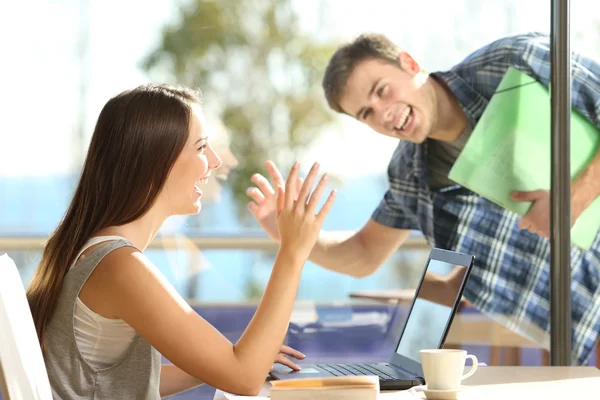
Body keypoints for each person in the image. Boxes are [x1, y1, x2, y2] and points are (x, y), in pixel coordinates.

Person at [246, 32, 600, 365]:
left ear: (410, 63)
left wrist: (574, 196)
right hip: (573, 340)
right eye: (366, 113)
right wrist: (285, 235)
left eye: (382, 90)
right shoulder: (408, 172)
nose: (382, 112)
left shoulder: (513, 62)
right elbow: (364, 253)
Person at [26, 83, 336, 398]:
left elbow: (109, 381)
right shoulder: (119, 266)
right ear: (155, 160)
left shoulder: (93, 251)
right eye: (201, 147)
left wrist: (212, 363)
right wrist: (293, 251)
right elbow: (245, 379)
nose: (215, 161)